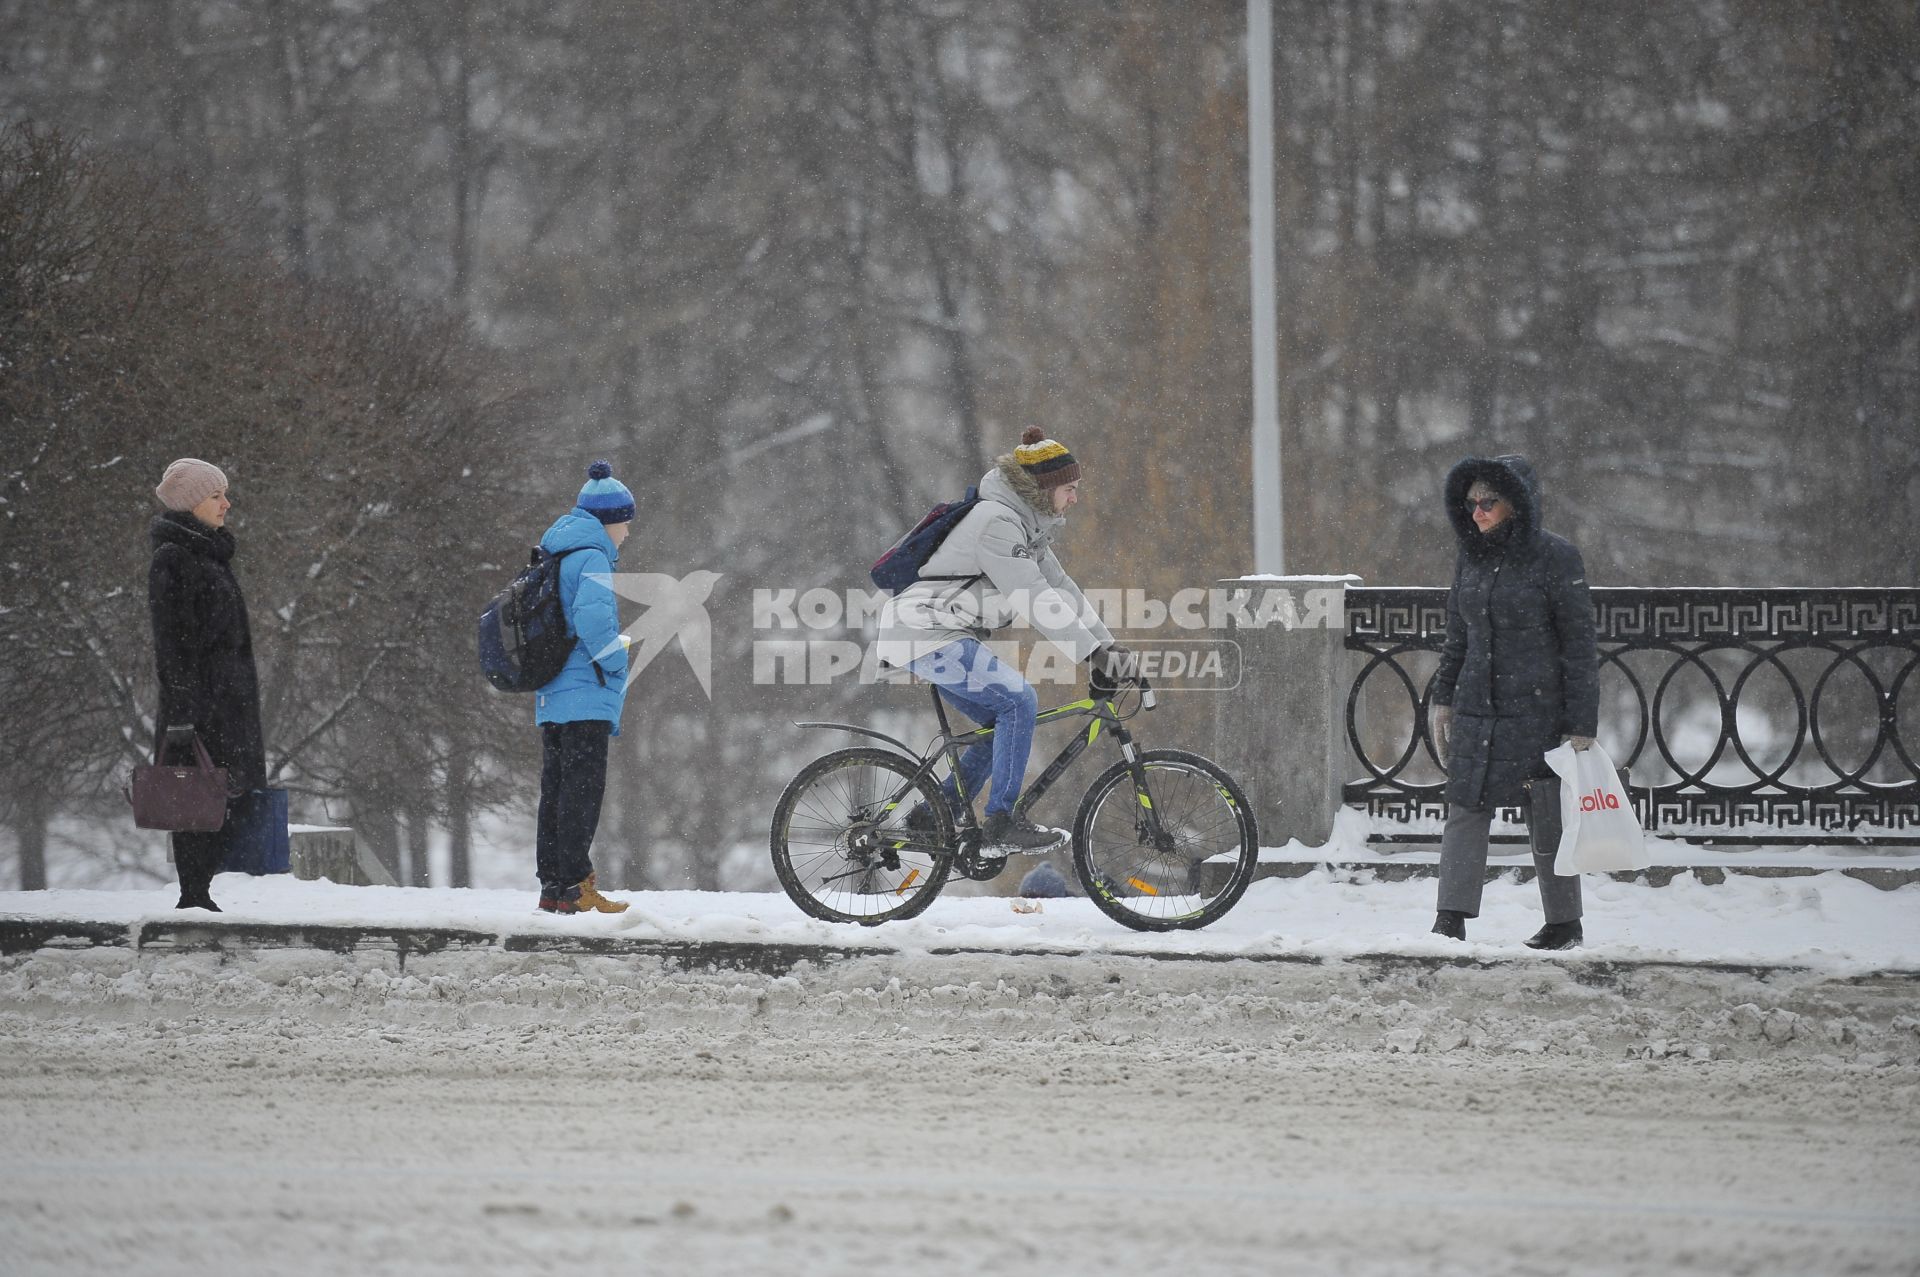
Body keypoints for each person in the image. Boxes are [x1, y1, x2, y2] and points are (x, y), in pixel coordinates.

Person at [876, 427, 1130, 854]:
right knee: (1019, 701)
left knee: (1000, 725)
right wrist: (1090, 655)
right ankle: (1003, 819)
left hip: (937, 634)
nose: (1075, 497)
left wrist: (1110, 649)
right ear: (1043, 488)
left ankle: (932, 815)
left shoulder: (1027, 531)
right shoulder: (996, 523)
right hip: (926, 632)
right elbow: (1034, 598)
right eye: (1070, 488)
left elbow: (1063, 591)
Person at [1428, 454, 1598, 950]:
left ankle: (1565, 923)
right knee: (1464, 805)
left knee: (1545, 811)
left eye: (1489, 502)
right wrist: (1443, 699)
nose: (1477, 512)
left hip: (1538, 707)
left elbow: (1580, 643)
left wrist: (1581, 721)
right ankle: (1449, 919)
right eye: (1471, 503)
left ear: (1516, 504)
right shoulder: (1470, 555)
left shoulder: (1556, 557)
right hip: (1478, 704)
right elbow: (1458, 635)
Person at [148, 458, 266, 912]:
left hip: (229, 704)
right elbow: (172, 645)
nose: (226, 503)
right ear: (191, 502)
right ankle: (193, 896)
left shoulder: (211, 556)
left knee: (224, 800)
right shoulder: (173, 559)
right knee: (194, 799)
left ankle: (201, 894)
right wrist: (182, 715)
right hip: (197, 709)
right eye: (216, 495)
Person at [531, 461, 636, 915]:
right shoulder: (591, 555)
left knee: (555, 791)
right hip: (585, 695)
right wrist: (619, 660)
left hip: (554, 692)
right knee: (581, 792)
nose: (627, 534)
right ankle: (576, 884)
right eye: (625, 524)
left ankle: (554, 886)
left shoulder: (557, 552)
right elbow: (595, 626)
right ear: (610, 521)